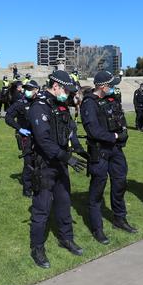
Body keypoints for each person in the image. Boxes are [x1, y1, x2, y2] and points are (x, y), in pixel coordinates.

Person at [27, 71, 87, 268]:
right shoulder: (40, 106)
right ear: (55, 86)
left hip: (61, 162)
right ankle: (37, 248)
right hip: (45, 165)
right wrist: (67, 157)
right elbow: (43, 141)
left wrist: (80, 150)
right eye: (66, 90)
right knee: (42, 209)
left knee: (64, 203)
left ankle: (66, 238)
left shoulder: (61, 105)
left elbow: (70, 130)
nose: (68, 95)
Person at [80, 71, 136, 245]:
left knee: (120, 184)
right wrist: (116, 137)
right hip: (100, 152)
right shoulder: (89, 103)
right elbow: (93, 131)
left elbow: (121, 121)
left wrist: (123, 134)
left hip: (116, 151)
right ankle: (97, 228)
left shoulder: (112, 100)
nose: (113, 88)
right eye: (111, 85)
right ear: (103, 86)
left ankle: (120, 218)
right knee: (97, 191)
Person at [5, 79, 40, 196]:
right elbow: (8, 117)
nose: (27, 91)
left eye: (30, 89)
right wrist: (19, 128)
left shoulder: (41, 102)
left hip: (40, 137)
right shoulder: (20, 103)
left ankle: (38, 186)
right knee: (29, 163)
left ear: (37, 90)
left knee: (39, 162)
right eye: (26, 89)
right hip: (26, 137)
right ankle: (27, 189)